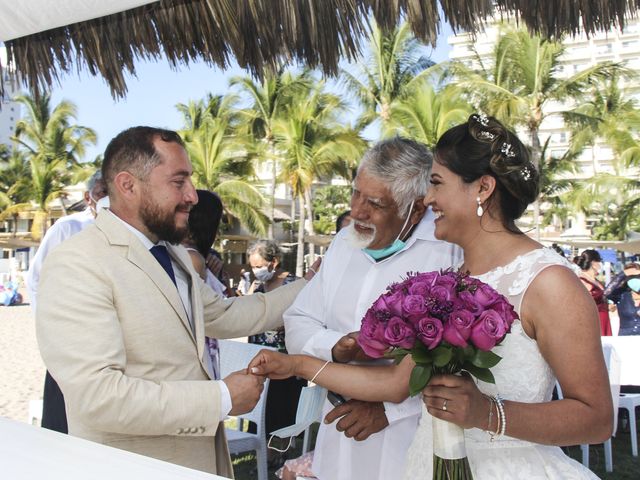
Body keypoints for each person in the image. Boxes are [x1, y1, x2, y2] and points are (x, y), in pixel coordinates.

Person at [249, 114, 613, 479]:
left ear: (482, 188)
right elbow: (395, 384)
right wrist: (298, 365)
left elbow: (597, 420)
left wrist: (486, 413)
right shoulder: (451, 283)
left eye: (437, 183)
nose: (428, 197)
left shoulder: (549, 282)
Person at [35, 126, 316, 476]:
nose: (193, 196)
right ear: (128, 185)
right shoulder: (78, 262)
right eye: (178, 181)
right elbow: (99, 397)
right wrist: (221, 398)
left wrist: (311, 284)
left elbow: (225, 315)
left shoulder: (172, 253)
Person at [280, 137, 462, 480]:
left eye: (375, 203)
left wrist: (391, 410)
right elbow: (297, 322)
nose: (357, 212)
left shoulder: (447, 252)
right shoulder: (342, 243)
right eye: (355, 194)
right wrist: (336, 347)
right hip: (338, 427)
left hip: (409, 436)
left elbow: (458, 361)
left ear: (416, 208)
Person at [26, 170, 107, 434]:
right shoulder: (68, 228)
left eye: (111, 193)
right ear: (88, 197)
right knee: (60, 421)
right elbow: (37, 280)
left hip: (105, 344)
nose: (107, 199)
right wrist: (50, 333)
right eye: (101, 193)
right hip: (68, 341)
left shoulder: (126, 232)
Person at [246, 239, 307, 465]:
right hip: (258, 355)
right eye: (252, 266)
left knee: (283, 406)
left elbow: (304, 317)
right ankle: (261, 450)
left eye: (259, 265)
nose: (256, 271)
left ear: (274, 262)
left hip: (286, 359)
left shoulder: (294, 284)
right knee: (261, 405)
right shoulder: (258, 286)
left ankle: (280, 451)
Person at [576, 249, 613, 336]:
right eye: (599, 261)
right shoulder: (582, 280)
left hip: (604, 316)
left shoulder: (595, 280)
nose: (600, 264)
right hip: (593, 319)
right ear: (593, 263)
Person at [604, 262, 640, 336]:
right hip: (626, 339)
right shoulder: (621, 294)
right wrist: (623, 274)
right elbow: (606, 293)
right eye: (632, 276)